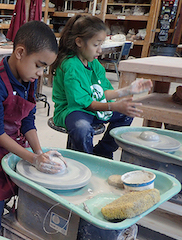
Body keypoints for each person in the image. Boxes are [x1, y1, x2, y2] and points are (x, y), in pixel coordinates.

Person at [0, 20, 65, 234]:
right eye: (39, 65)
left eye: (44, 68)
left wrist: (40, 153)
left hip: (12, 135)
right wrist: (31, 158)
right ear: (20, 52)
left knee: (31, 182)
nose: (40, 73)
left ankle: (21, 231)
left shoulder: (29, 79)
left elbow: (28, 121)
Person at [51, 15, 153, 159]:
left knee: (128, 112)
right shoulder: (71, 66)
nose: (100, 50)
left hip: (91, 108)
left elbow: (102, 93)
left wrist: (128, 90)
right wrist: (114, 106)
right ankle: (87, 160)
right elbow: (86, 104)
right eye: (96, 44)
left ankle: (103, 150)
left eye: (101, 44)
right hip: (71, 110)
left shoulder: (93, 62)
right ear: (79, 42)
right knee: (82, 128)